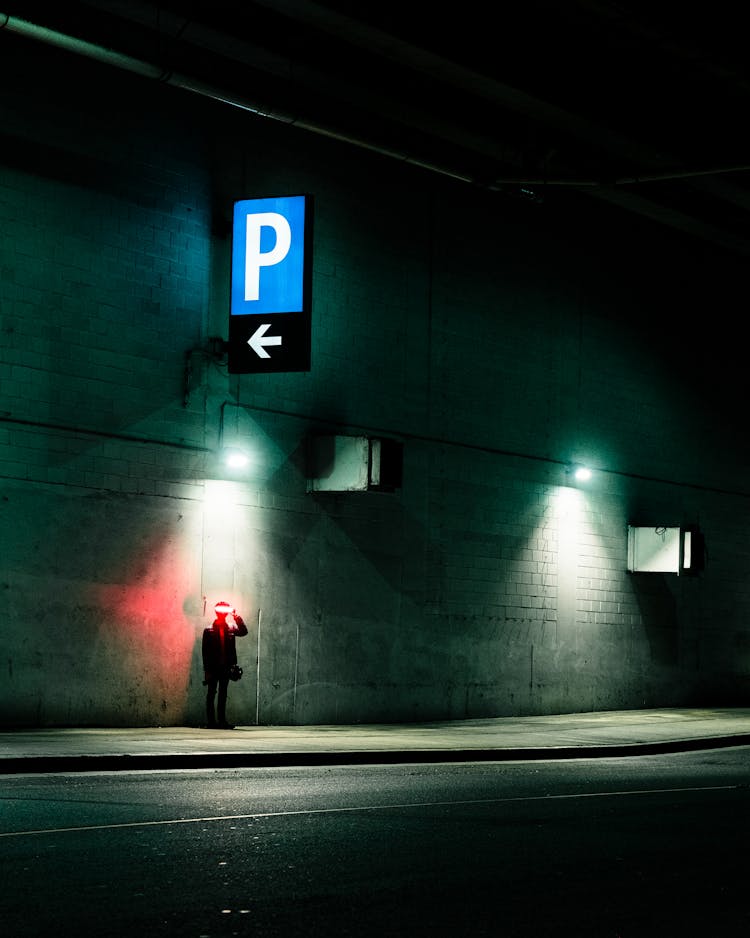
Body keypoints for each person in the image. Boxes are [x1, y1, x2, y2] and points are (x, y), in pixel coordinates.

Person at [202, 600, 248, 729]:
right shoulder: (208, 630)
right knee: (211, 693)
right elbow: (205, 652)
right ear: (217, 612)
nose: (223, 614)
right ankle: (211, 722)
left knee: (223, 694)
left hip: (226, 667)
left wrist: (236, 616)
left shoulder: (231, 628)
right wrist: (207, 670)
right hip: (213, 667)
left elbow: (244, 631)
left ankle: (222, 722)